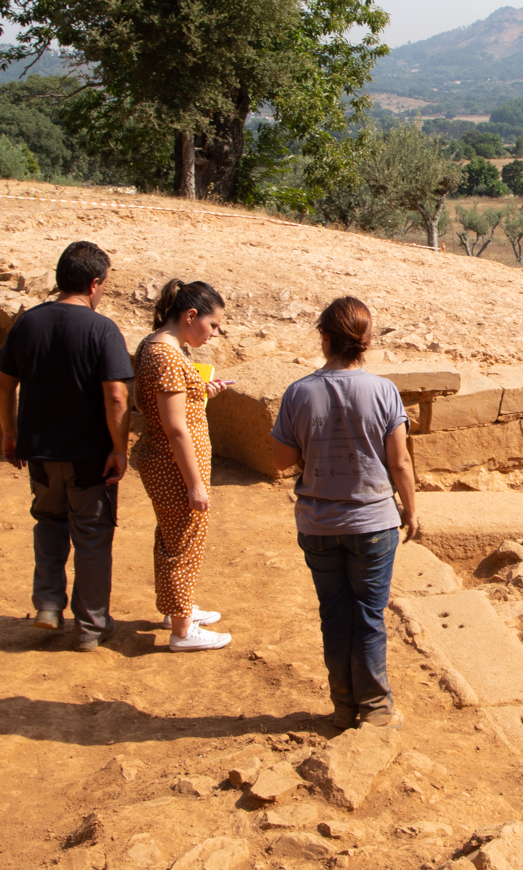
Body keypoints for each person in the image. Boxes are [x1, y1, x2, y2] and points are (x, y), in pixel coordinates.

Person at [269, 297, 419, 730]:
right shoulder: (384, 391)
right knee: (369, 616)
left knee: (334, 614)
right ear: (366, 342)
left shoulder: (299, 392)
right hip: (373, 522)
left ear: (324, 337)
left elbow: (281, 460)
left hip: (318, 524)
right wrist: (411, 510)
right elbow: (400, 462)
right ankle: (375, 708)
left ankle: (341, 706)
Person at [0, 241, 134, 651]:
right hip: (89, 457)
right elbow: (116, 395)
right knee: (92, 536)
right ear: (94, 283)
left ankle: (49, 605)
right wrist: (119, 448)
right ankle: (90, 627)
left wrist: (9, 434)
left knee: (49, 524)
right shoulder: (101, 329)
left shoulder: (27, 323)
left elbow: (4, 386)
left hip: (39, 452)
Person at [135, 279, 233, 651]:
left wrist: (199, 390)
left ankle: (179, 610)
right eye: (212, 324)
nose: (214, 333)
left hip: (165, 461)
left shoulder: (157, 346)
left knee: (173, 537)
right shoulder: (167, 355)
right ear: (191, 315)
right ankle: (182, 630)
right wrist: (194, 484)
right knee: (183, 542)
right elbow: (176, 428)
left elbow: (160, 401)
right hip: (173, 466)